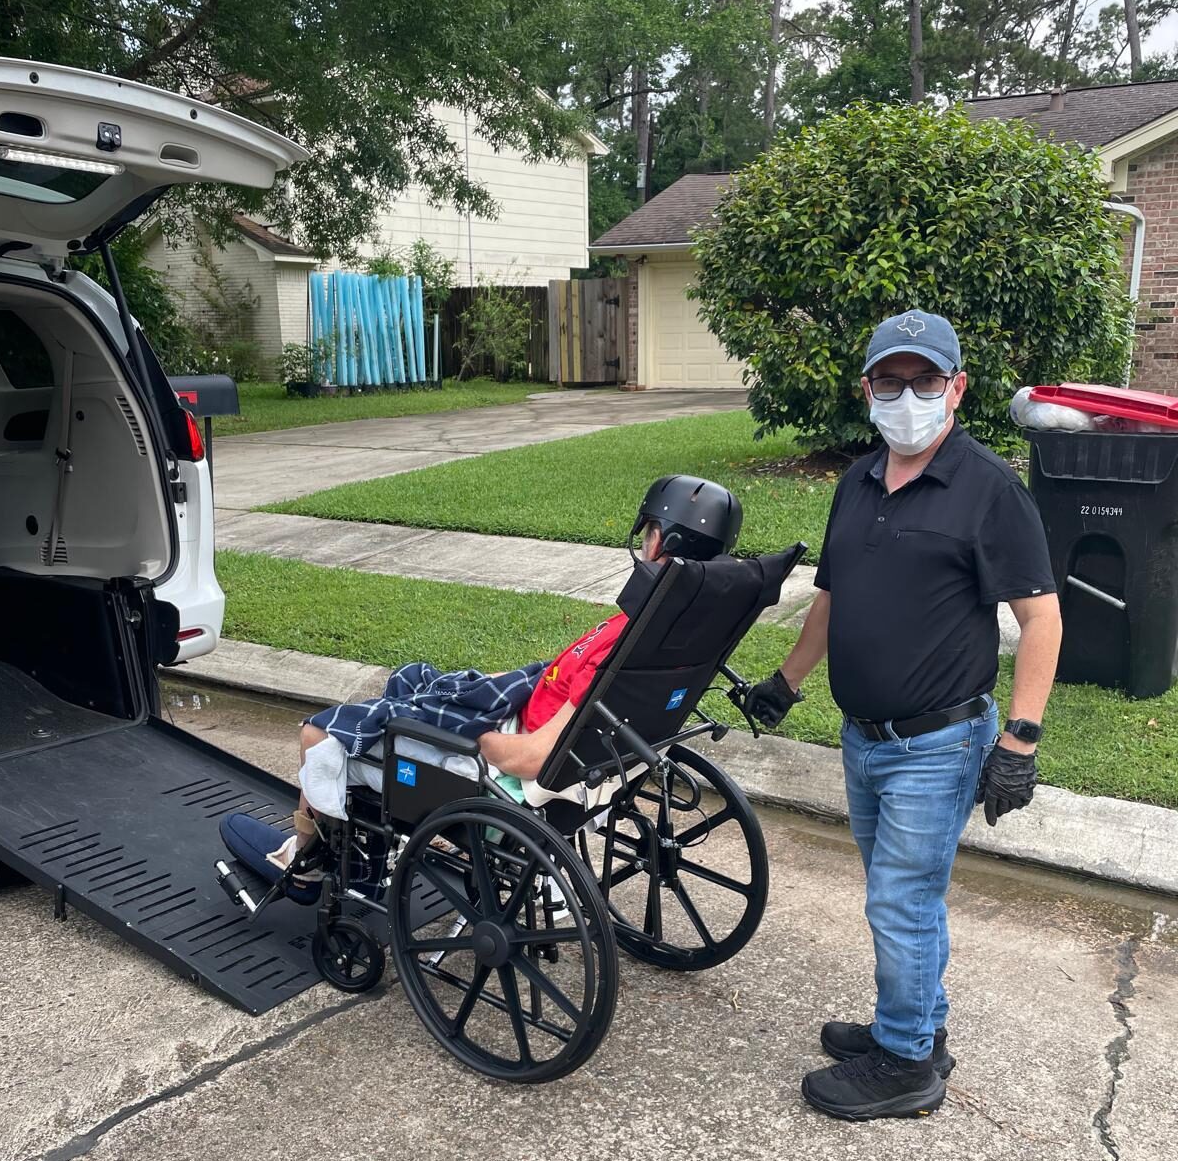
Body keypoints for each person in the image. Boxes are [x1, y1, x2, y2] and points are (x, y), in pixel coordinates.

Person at [745, 310, 1062, 1122]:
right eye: (891, 381)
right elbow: (832, 594)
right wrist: (786, 681)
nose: (908, 396)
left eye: (926, 381)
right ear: (868, 390)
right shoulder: (856, 482)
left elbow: (1042, 619)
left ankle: (906, 1061)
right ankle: (919, 1022)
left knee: (900, 901)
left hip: (940, 742)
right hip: (864, 740)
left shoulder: (989, 489)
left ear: (957, 388)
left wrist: (1020, 739)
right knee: (905, 899)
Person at [219, 474, 743, 901]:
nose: (643, 541)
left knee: (319, 734)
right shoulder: (670, 635)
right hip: (580, 748)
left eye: (648, 531)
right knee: (413, 680)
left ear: (661, 542)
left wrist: (476, 735)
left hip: (508, 767)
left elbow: (530, 759)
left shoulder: (623, 644)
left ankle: (309, 866)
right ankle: (343, 848)